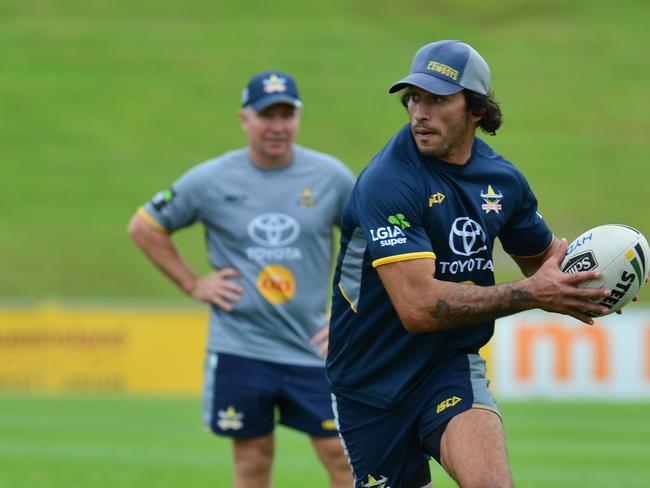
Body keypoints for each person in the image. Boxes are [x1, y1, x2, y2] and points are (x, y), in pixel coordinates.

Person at [325, 40, 613, 488]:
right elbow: (418, 309)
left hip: (448, 366)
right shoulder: (387, 182)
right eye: (414, 97)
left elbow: (548, 265)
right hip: (368, 383)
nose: (420, 112)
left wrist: (607, 271)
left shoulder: (503, 181)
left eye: (437, 99)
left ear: (475, 108)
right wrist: (531, 294)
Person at [128, 70, 355, 488]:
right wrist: (193, 284)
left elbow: (370, 244)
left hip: (312, 346)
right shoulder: (211, 179)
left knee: (341, 456)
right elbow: (144, 226)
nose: (277, 126)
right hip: (240, 348)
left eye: (286, 115)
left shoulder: (331, 177)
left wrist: (350, 315)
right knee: (252, 459)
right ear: (244, 119)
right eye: (266, 115)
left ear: (298, 119)